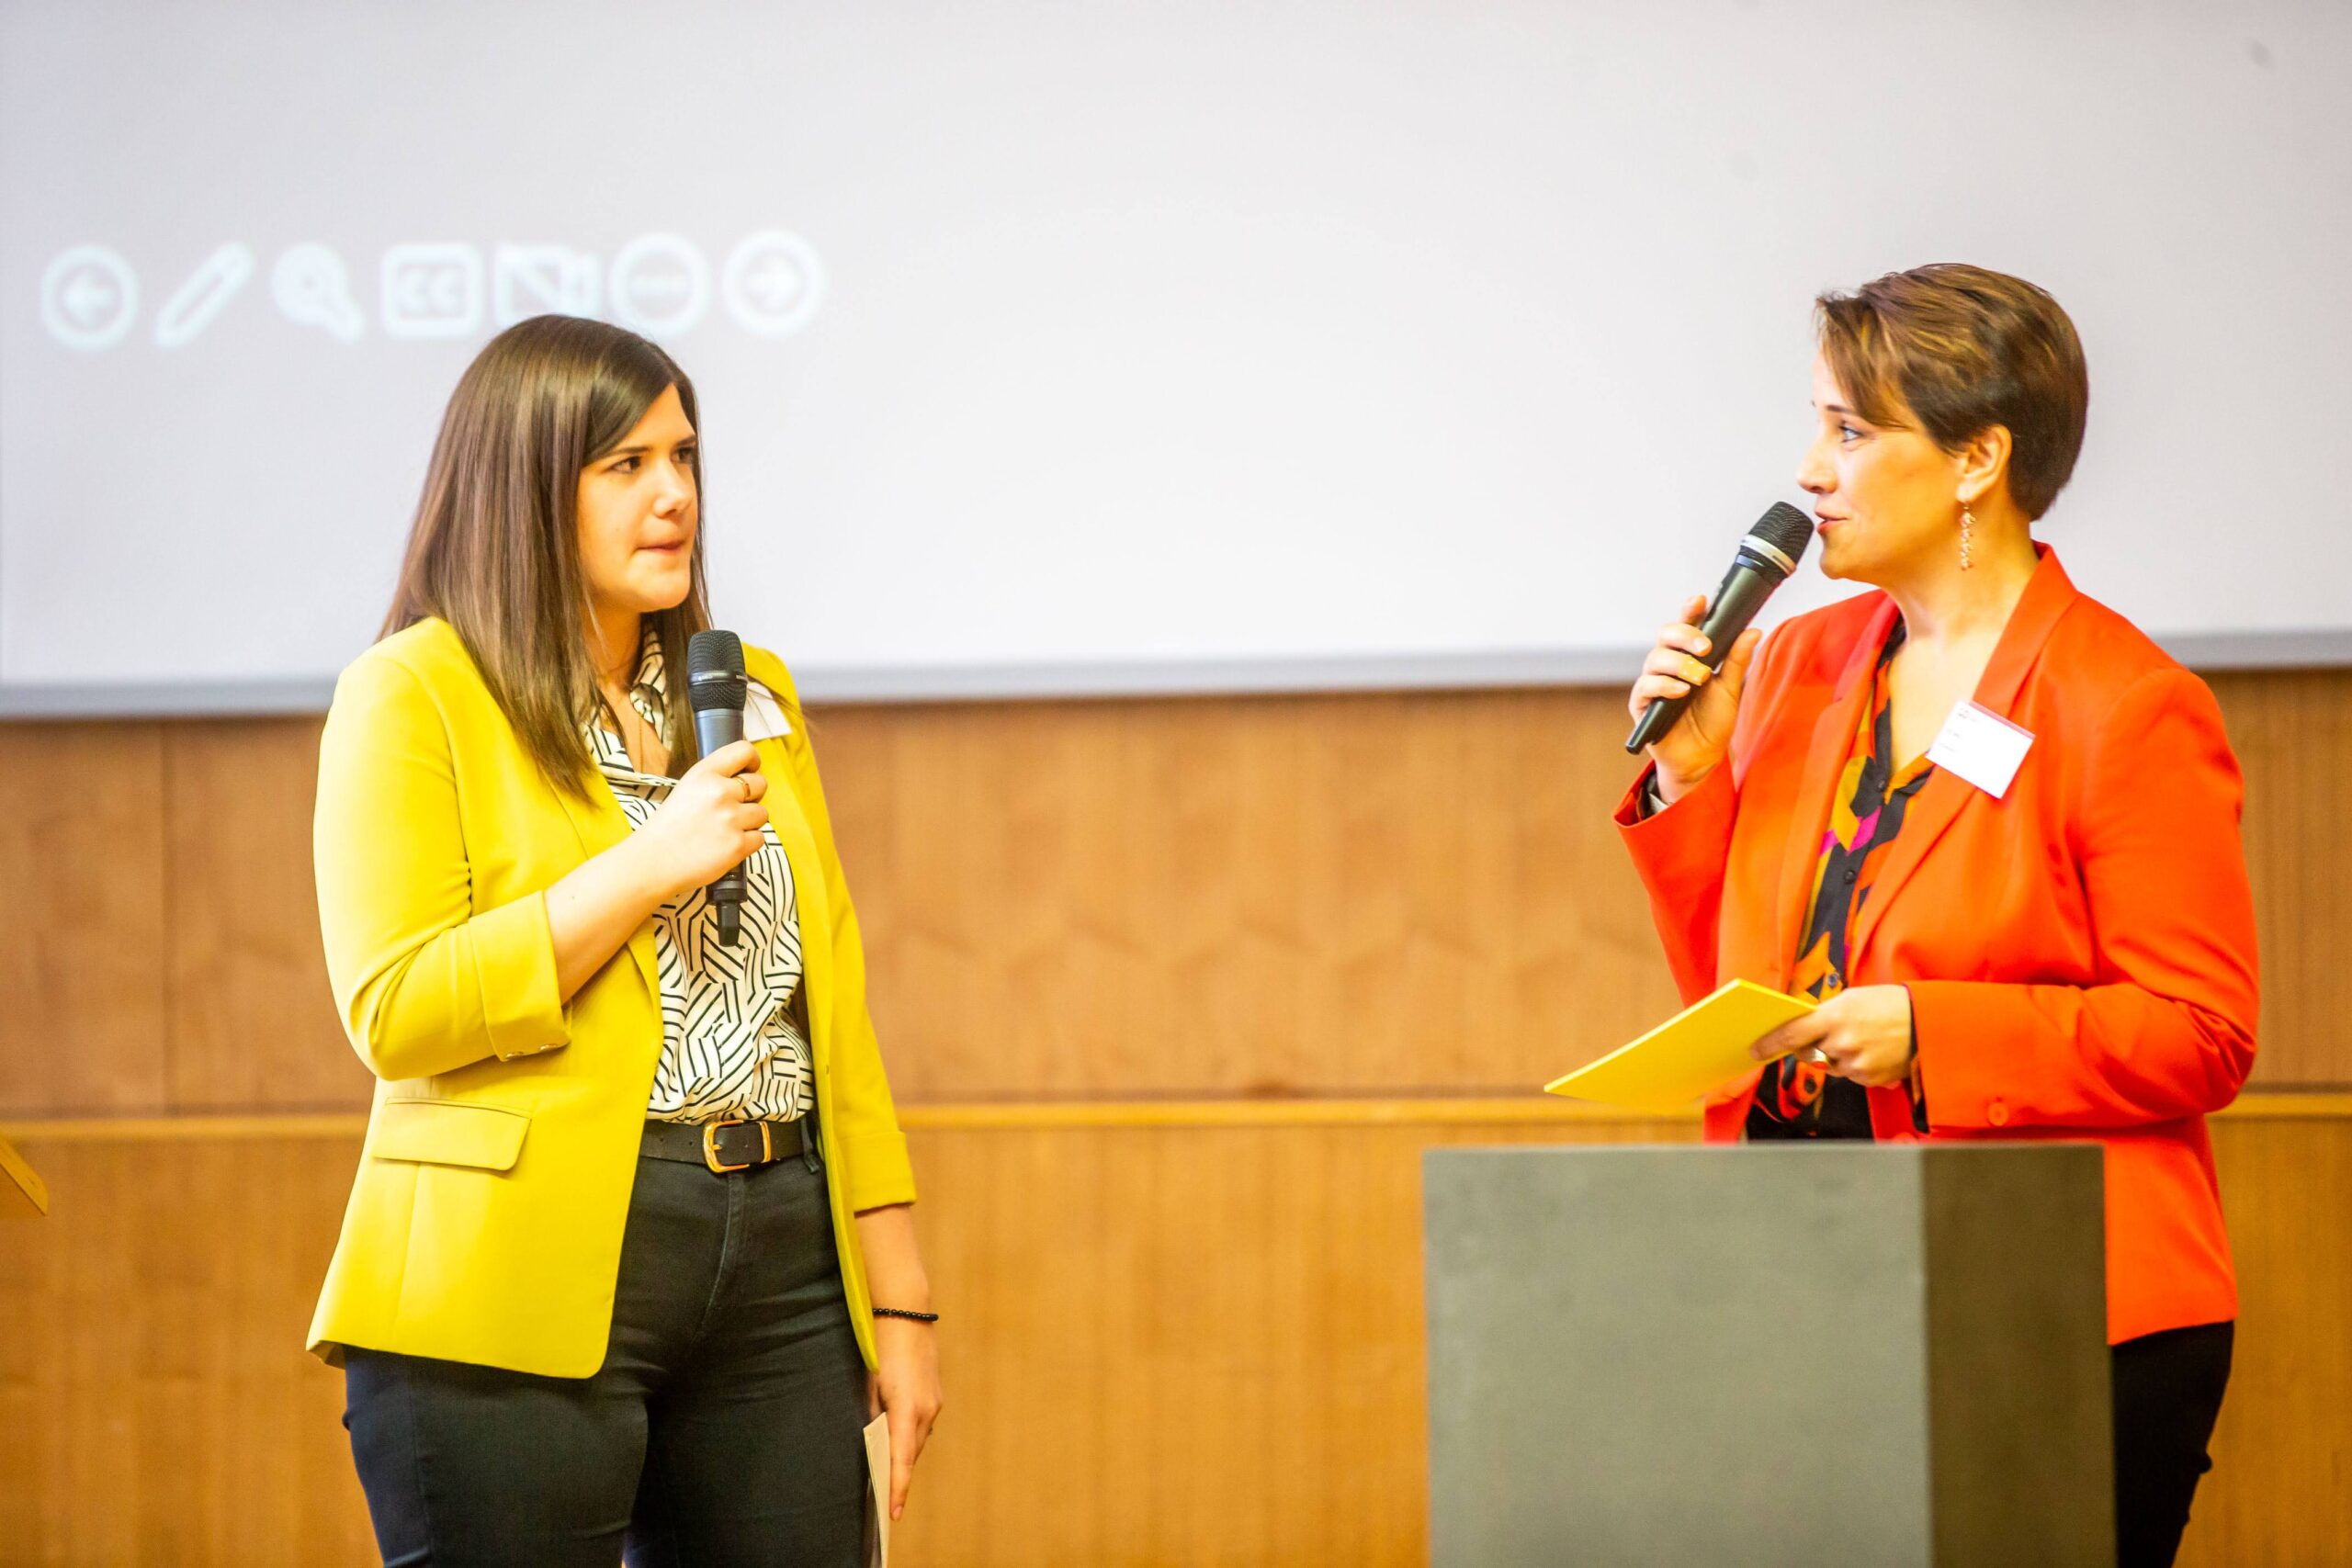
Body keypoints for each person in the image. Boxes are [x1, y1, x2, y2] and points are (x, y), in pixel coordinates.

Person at [1618, 265, 2256, 1568]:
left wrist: (1933, 1030)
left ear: (1979, 460)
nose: (1810, 469)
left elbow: (2204, 1033)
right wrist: (1691, 773)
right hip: (1814, 1274)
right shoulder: (1801, 663)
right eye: (1817, 424)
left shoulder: (2121, 704)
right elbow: (1747, 999)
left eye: (1852, 431)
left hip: (2056, 1304)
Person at [307, 314, 941, 1566]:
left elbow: (829, 1015)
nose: (675, 498)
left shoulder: (748, 687)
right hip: (511, 1278)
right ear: (526, 487)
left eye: (684, 457)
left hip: (777, 1259)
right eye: (626, 467)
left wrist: (902, 1298)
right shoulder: (417, 690)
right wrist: (644, 870)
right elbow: (398, 1008)